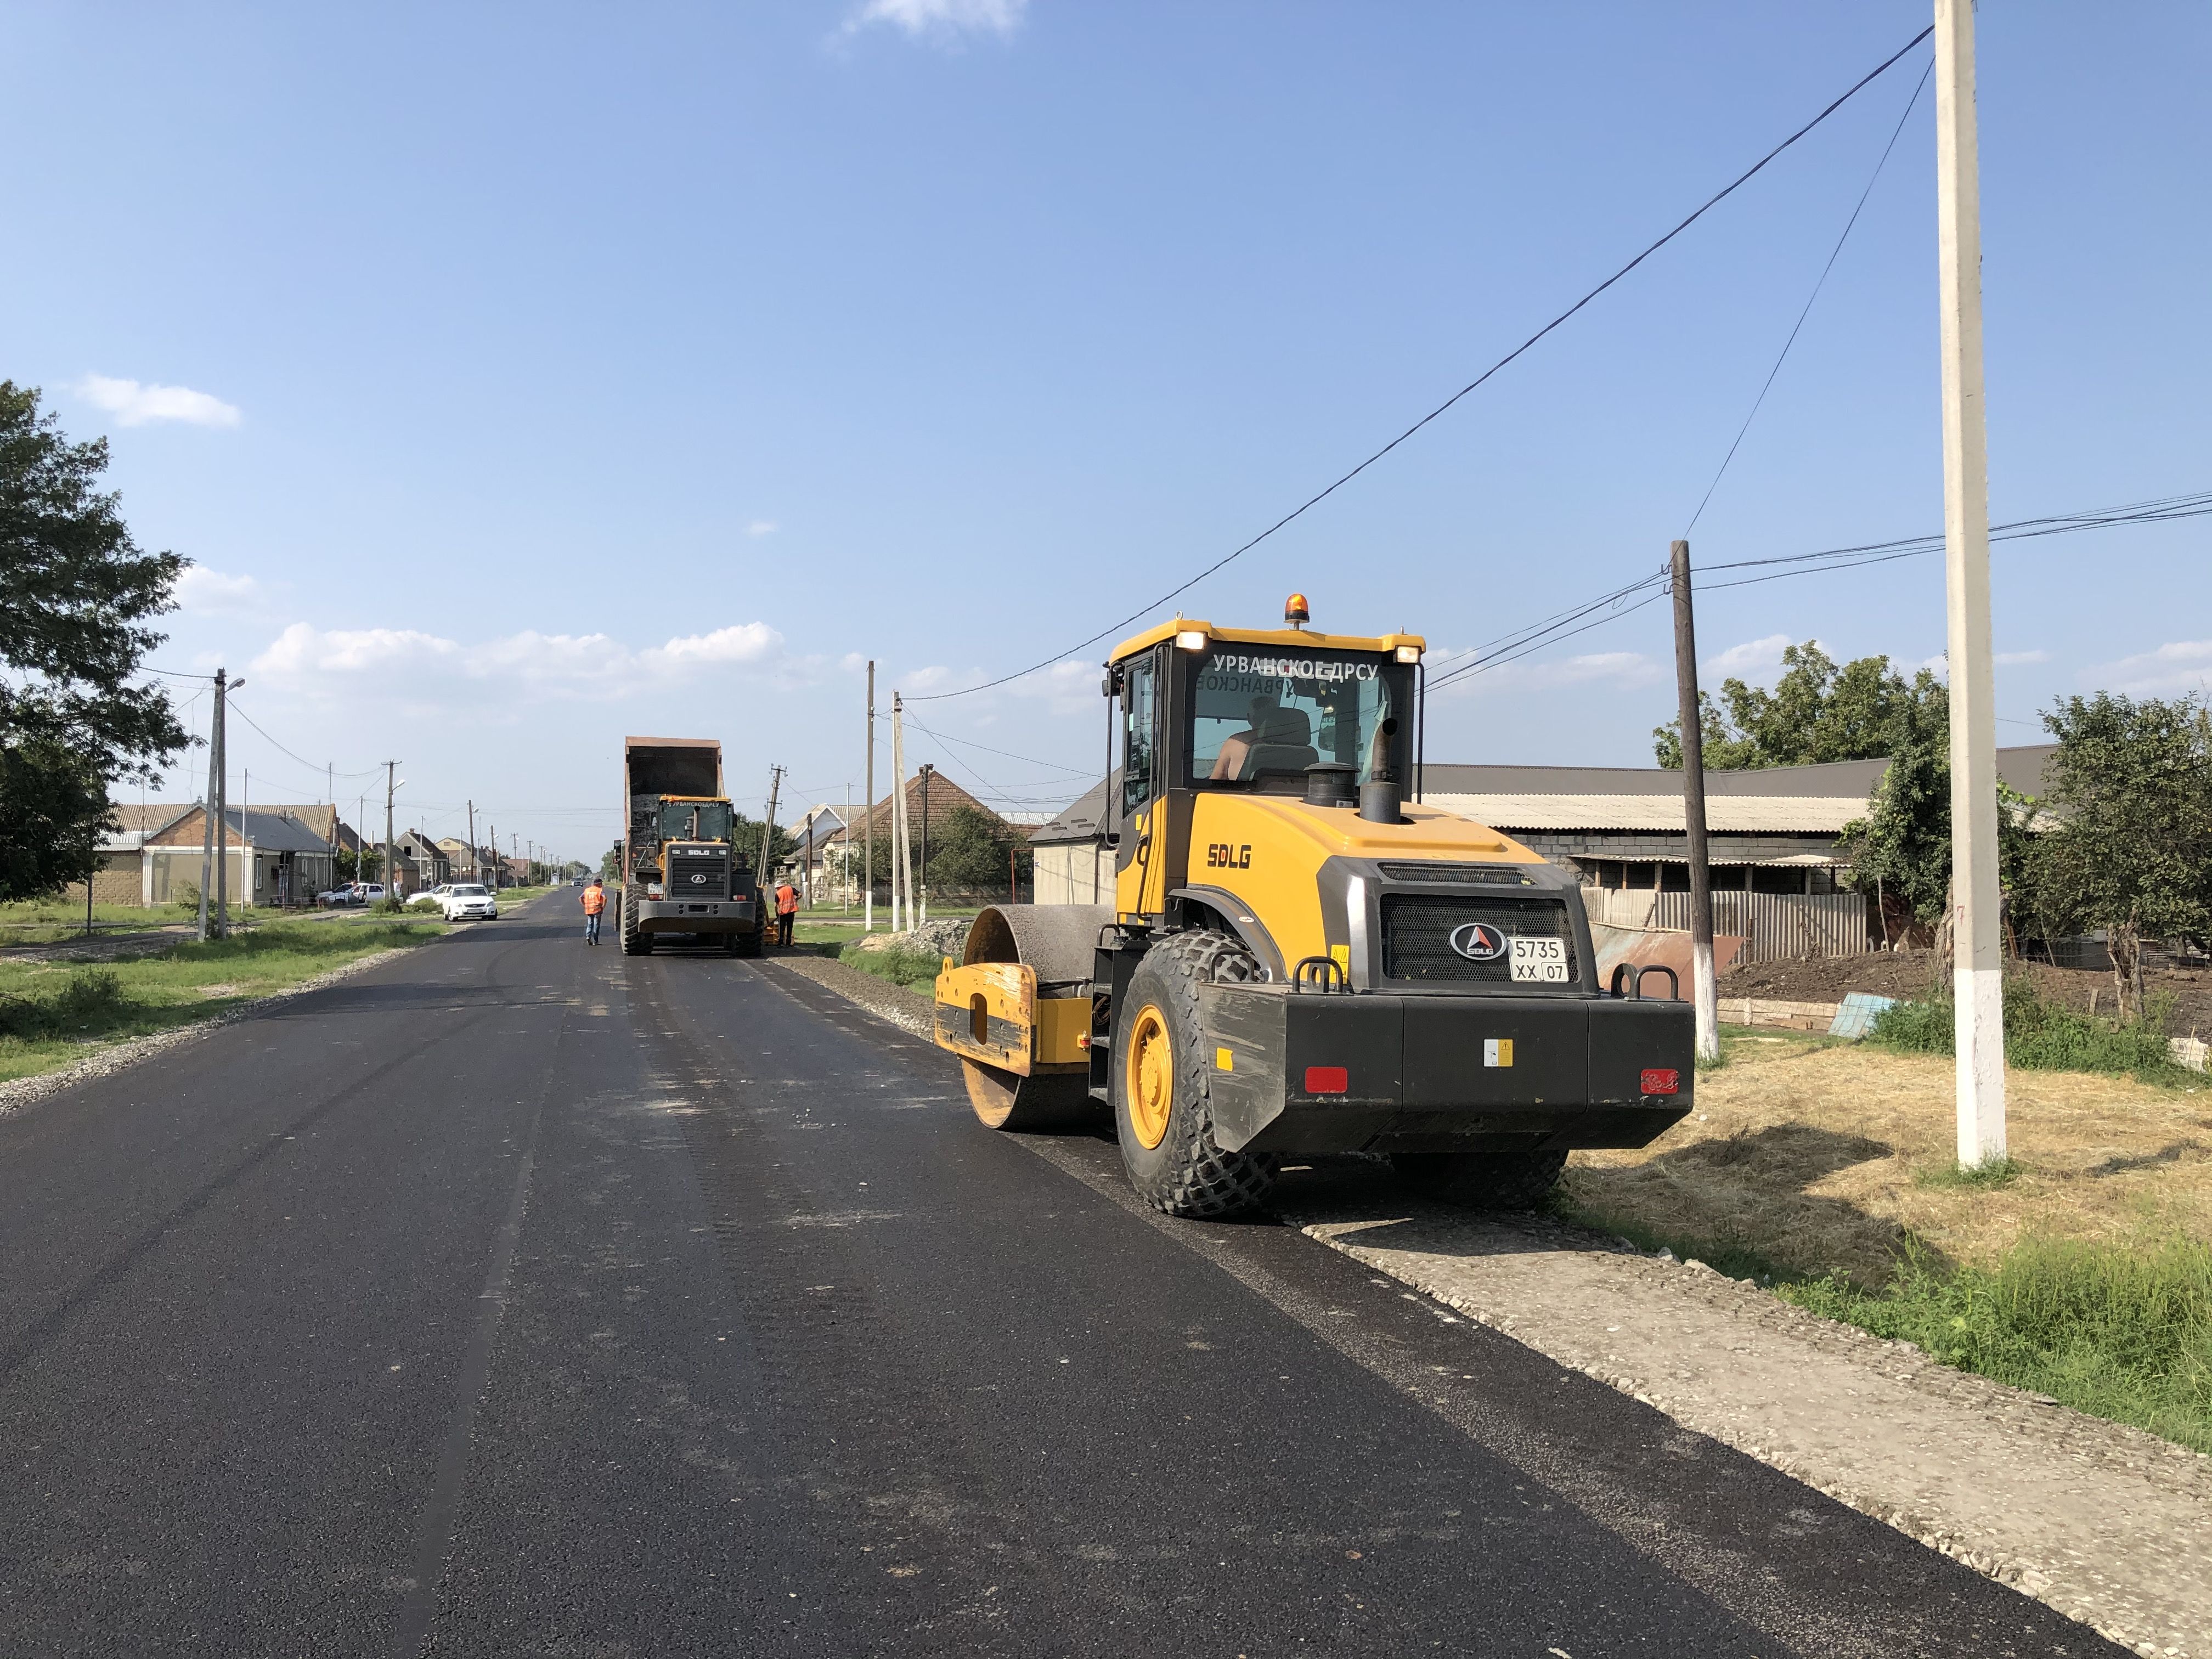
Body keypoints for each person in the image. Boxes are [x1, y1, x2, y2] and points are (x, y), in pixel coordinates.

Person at [581, 876, 608, 945]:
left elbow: (580, 898)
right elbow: (605, 898)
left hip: (589, 910)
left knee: (590, 924)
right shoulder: (600, 890)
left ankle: (588, 936)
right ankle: (595, 941)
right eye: (601, 884)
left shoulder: (587, 890)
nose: (602, 885)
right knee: (596, 925)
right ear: (598, 884)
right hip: (597, 910)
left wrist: (585, 905)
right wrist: (603, 907)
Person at [774, 878, 798, 947]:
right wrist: (796, 900)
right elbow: (800, 895)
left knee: (782, 928)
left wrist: (777, 914)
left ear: (779, 887)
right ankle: (788, 942)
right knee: (790, 927)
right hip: (791, 911)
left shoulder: (778, 893)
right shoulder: (791, 889)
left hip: (783, 913)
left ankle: (781, 942)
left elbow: (775, 905)